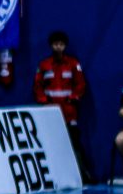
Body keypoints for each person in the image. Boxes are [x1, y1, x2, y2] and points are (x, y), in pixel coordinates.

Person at [33, 29, 91, 181]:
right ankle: (53, 177)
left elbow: (80, 85)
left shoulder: (73, 64)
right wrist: (44, 102)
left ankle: (82, 176)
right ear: (51, 45)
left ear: (65, 46)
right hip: (50, 114)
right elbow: (38, 87)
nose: (58, 47)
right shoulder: (44, 65)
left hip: (69, 113)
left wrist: (73, 98)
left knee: (74, 144)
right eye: (55, 44)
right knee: (50, 145)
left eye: (61, 44)